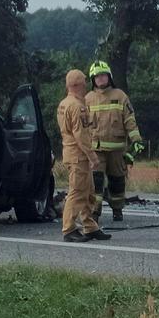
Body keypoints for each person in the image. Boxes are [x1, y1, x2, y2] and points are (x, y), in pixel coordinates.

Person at [57, 69, 111, 242]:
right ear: (79, 85)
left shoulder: (64, 103)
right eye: (84, 82)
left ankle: (90, 226)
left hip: (71, 152)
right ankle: (69, 229)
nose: (87, 84)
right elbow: (81, 135)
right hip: (78, 155)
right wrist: (92, 156)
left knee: (88, 192)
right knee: (78, 192)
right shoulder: (77, 106)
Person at [86, 61, 144, 222]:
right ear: (93, 79)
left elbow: (130, 120)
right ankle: (94, 213)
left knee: (117, 181)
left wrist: (136, 140)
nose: (100, 79)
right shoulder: (88, 99)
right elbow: (81, 125)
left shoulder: (120, 96)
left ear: (109, 76)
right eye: (97, 76)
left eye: (103, 75)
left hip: (117, 149)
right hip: (95, 149)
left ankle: (117, 210)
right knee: (95, 182)